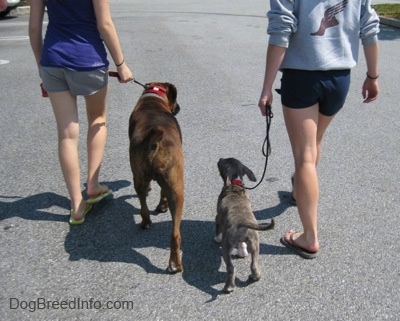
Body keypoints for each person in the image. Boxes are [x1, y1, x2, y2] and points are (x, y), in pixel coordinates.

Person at [258, 0, 379, 258]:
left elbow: (281, 30)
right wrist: (373, 76)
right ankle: (297, 192)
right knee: (315, 141)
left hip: (302, 78)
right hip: (340, 78)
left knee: (304, 158)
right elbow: (369, 28)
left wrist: (267, 88)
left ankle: (309, 237)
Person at [29, 0, 133, 225]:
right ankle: (93, 186)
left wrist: (42, 65)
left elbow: (34, 28)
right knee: (98, 120)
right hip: (89, 60)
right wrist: (121, 64)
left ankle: (77, 205)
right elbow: (104, 23)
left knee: (67, 134)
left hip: (52, 60)